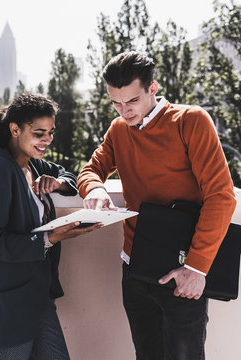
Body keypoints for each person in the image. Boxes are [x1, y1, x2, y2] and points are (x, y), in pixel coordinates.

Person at [77, 51, 237, 359]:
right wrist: (95, 188)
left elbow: (221, 196)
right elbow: (90, 170)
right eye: (116, 103)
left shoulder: (190, 121)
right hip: (134, 269)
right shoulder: (118, 129)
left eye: (132, 101)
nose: (124, 111)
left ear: (153, 88)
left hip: (183, 269)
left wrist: (195, 267)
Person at [0, 93, 102, 359]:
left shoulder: (30, 163)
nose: (47, 140)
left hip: (38, 295)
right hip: (10, 303)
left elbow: (67, 173)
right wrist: (50, 238)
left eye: (51, 133)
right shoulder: (0, 171)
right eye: (39, 133)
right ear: (15, 129)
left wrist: (58, 183)